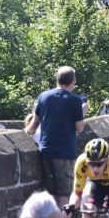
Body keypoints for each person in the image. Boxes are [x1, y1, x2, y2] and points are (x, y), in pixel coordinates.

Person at [26, 66, 88, 207]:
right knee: (64, 193)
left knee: (50, 192)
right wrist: (83, 112)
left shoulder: (43, 96)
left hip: (46, 150)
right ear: (72, 81)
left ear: (58, 80)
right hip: (64, 152)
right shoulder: (75, 100)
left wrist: (27, 132)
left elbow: (34, 124)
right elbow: (79, 128)